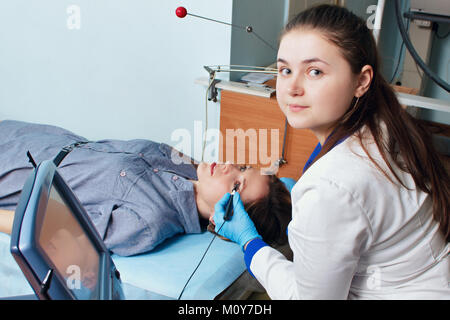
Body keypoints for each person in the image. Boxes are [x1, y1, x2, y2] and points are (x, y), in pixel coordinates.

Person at [213, 4, 449, 299]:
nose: (292, 88)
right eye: (285, 70)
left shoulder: (331, 187)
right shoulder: (383, 124)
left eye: (314, 71)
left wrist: (251, 245)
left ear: (361, 81)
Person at [0, 120, 292, 256]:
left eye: (237, 184)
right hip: (31, 136)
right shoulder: (190, 169)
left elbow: (51, 227)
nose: (229, 166)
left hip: (13, 172)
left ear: (223, 218)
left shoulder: (149, 221)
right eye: (243, 167)